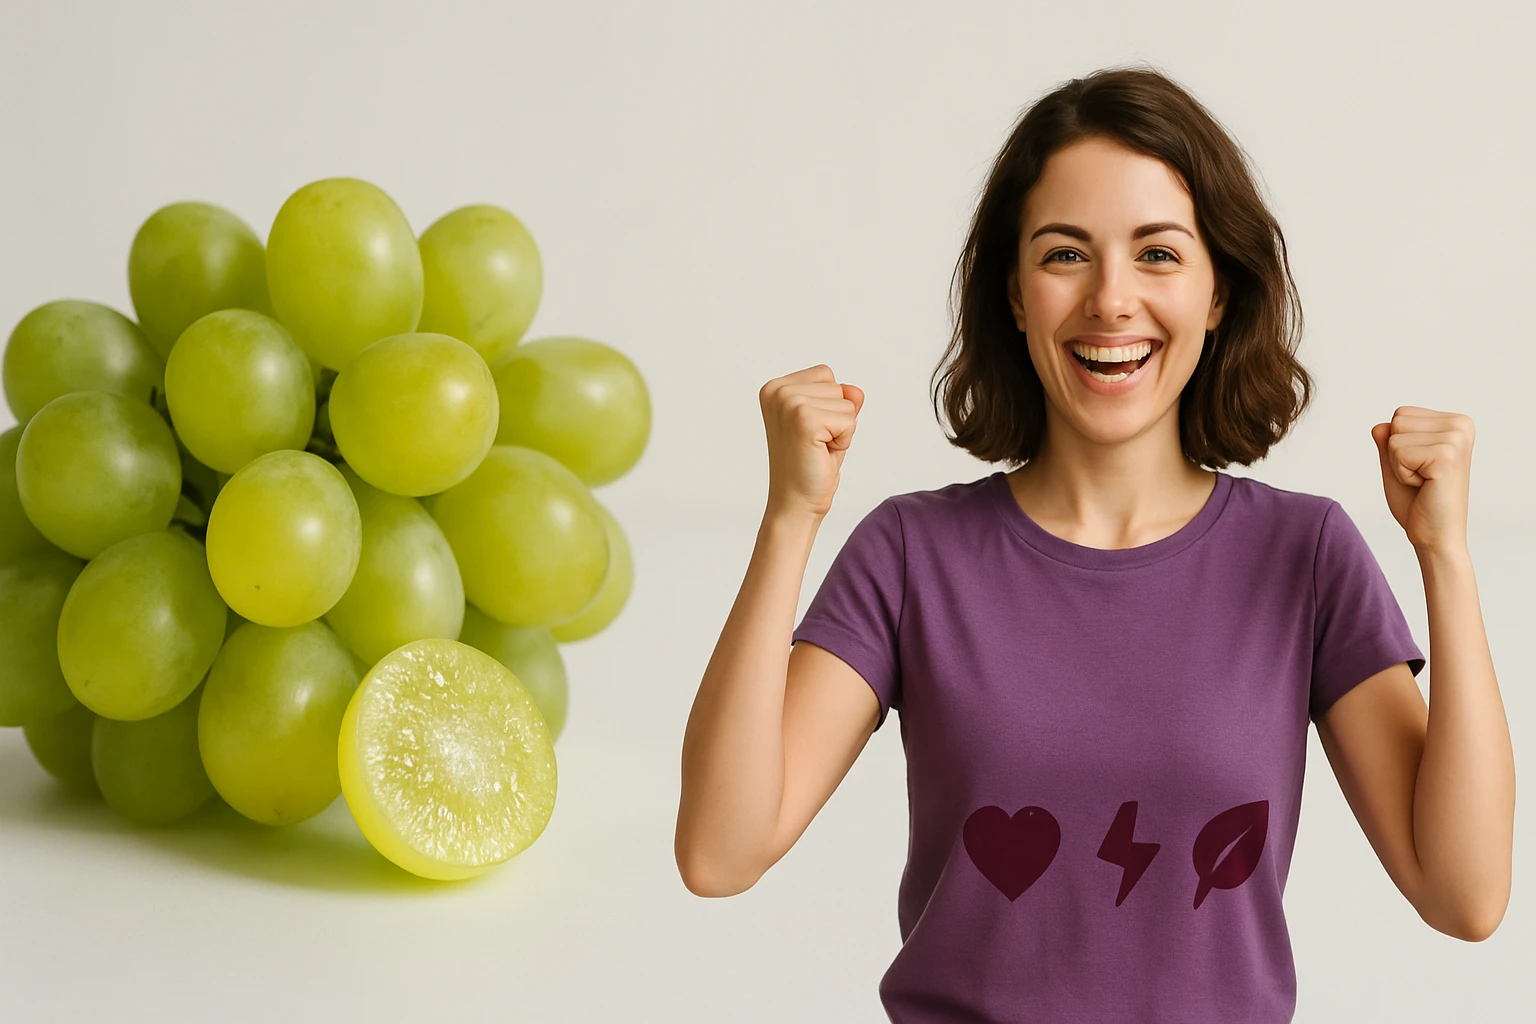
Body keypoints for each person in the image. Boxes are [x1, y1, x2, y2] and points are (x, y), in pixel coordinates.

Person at [674, 63, 1513, 1022]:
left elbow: (1466, 896)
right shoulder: (911, 553)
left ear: (1219, 294)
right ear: (1016, 296)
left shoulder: (1306, 555)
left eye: (1158, 254)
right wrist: (791, 520)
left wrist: (1445, 559)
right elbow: (718, 852)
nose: (1111, 301)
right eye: (1066, 254)